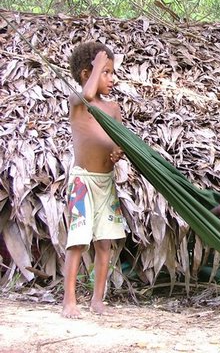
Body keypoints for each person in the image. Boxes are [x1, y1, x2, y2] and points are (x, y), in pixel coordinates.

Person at [62, 42, 127, 318]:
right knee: (78, 241)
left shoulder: (113, 109)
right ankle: (69, 300)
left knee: (104, 243)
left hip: (105, 182)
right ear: (87, 73)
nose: (112, 79)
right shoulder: (78, 100)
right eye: (106, 72)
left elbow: (118, 143)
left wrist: (117, 154)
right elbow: (88, 94)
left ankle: (97, 299)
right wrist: (97, 64)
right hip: (82, 182)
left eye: (113, 72)